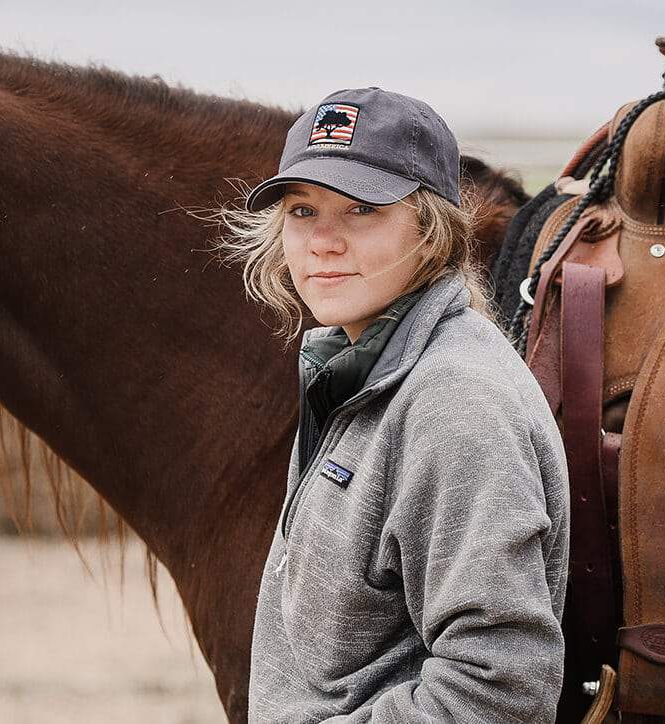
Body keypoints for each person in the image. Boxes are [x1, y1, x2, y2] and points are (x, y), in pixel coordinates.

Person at [214, 87, 571, 722]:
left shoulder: (455, 406)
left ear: (431, 231)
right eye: (301, 211)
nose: (322, 241)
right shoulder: (359, 369)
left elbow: (500, 690)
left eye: (361, 210)